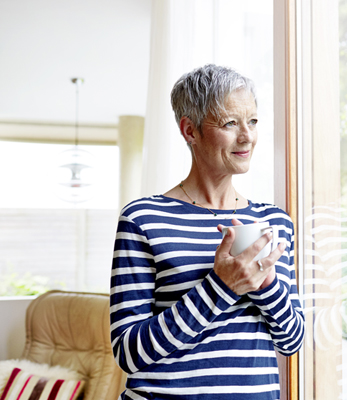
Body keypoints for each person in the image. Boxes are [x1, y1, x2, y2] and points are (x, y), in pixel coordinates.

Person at [110, 64, 304, 400]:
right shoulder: (143, 218)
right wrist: (222, 286)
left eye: (253, 121)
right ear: (190, 130)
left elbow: (292, 340)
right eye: (230, 123)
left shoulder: (273, 221)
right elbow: (129, 353)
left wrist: (266, 283)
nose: (247, 136)